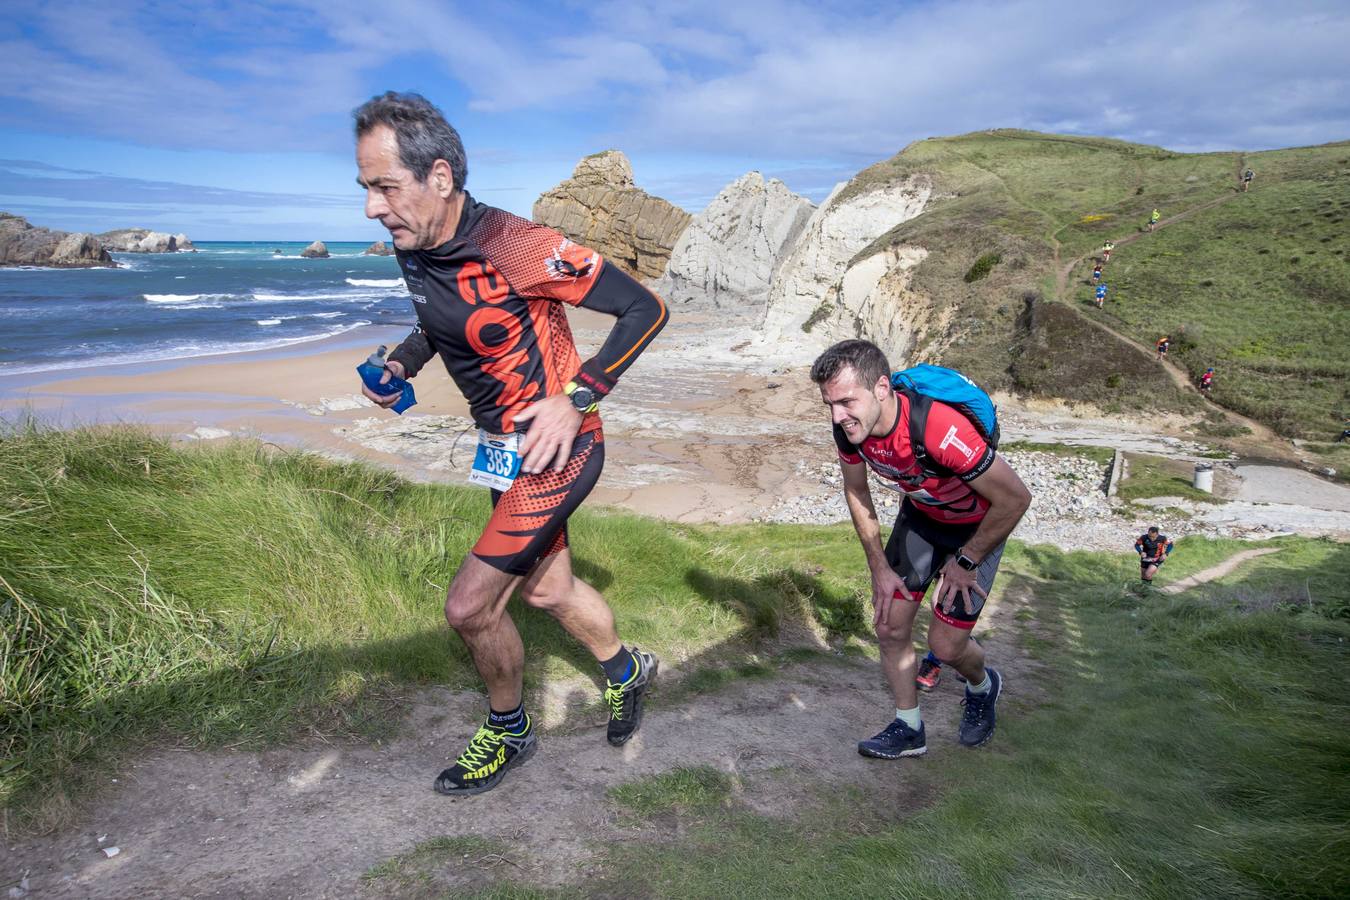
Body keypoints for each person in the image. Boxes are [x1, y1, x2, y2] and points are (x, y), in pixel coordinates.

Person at [354, 91, 669, 796]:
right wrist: (401, 364)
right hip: (503, 451)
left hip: (561, 450)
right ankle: (628, 671)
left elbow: (644, 308)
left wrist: (580, 394)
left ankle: (509, 730)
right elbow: (442, 321)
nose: (373, 208)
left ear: (440, 177)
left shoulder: (517, 245)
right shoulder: (417, 242)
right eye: (366, 189)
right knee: (548, 589)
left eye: (385, 187)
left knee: (470, 607)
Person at [811, 340, 1032, 757]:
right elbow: (855, 490)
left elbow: (1015, 499)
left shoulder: (939, 429)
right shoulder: (849, 430)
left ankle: (983, 686)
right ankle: (909, 728)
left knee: (947, 648)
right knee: (890, 625)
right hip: (923, 520)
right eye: (830, 405)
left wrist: (967, 560)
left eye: (845, 402)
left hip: (977, 530)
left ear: (880, 388)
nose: (838, 416)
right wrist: (879, 566)